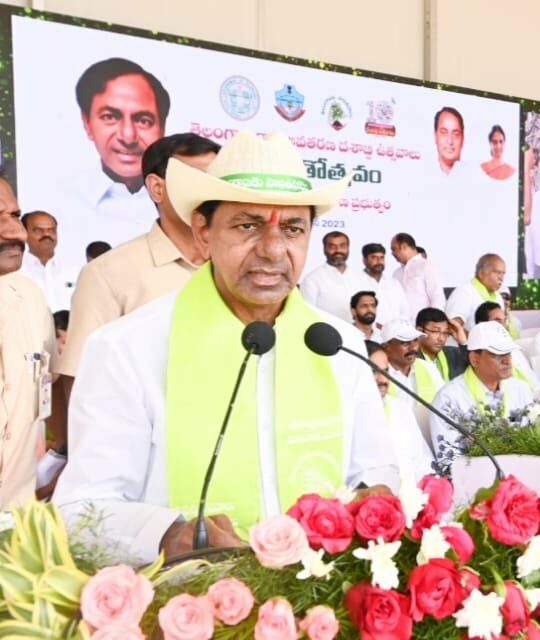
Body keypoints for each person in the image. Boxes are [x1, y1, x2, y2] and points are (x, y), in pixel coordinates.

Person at [54, 132, 397, 561]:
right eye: (247, 226)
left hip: (321, 605)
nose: (273, 250)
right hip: (188, 607)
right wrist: (166, 535)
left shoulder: (337, 344)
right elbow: (78, 513)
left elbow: (375, 468)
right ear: (203, 232)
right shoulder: (127, 349)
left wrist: (374, 495)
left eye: (293, 229)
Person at [55, 134, 220, 458]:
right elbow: (79, 381)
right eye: (196, 179)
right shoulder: (108, 273)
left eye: (216, 180)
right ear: (157, 188)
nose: (210, 191)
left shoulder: (237, 267)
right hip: (145, 460)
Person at [64, 58, 171, 251]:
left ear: (162, 128)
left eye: (144, 120)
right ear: (87, 123)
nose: (128, 136)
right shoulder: (61, 204)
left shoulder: (181, 205)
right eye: (110, 117)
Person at [1, 176, 60, 508]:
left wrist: (63, 458)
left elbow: (50, 391)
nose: (17, 233)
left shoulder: (29, 298)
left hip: (17, 534)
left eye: (13, 216)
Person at [430, 321, 535, 449]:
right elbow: (449, 459)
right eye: (498, 354)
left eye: (508, 353)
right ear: (474, 359)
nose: (507, 360)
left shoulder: (521, 388)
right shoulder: (449, 398)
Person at [365, 341, 434, 479]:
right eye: (373, 372)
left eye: (385, 371)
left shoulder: (400, 409)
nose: (383, 379)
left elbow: (423, 463)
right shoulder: (346, 413)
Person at [299, 231, 367, 319]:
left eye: (342, 246)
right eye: (332, 247)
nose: (338, 250)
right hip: (329, 331)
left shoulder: (361, 277)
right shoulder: (312, 279)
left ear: (348, 248)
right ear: (324, 249)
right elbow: (307, 313)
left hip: (359, 331)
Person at [475, 302, 540, 391]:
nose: (503, 326)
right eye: (498, 321)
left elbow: (532, 378)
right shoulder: (481, 354)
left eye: (504, 320)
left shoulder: (513, 349)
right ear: (482, 324)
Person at [19, 212, 78, 312]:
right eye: (38, 230)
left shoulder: (74, 271)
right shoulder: (15, 272)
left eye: (52, 230)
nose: (46, 234)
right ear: (24, 233)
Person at [413, 308, 469, 403]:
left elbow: (479, 368)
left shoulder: (454, 353)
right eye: (435, 332)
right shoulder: (411, 358)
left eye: (446, 333)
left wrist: (463, 342)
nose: (441, 338)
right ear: (419, 331)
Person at [445, 253, 509, 331]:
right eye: (497, 272)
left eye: (503, 273)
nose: (501, 278)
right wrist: (475, 339)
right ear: (481, 273)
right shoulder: (464, 293)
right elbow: (453, 326)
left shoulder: (498, 297)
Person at [355, 242, 410, 329]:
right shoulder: (355, 282)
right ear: (364, 260)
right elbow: (354, 312)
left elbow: (405, 311)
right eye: (374, 257)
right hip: (369, 333)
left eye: (381, 257)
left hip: (396, 335)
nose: (379, 261)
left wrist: (397, 328)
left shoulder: (394, 283)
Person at [390, 232, 445, 316]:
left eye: (394, 249)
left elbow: (437, 296)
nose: (392, 253)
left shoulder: (426, 266)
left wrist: (433, 321)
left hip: (423, 324)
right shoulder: (396, 273)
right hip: (401, 324)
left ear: (404, 246)